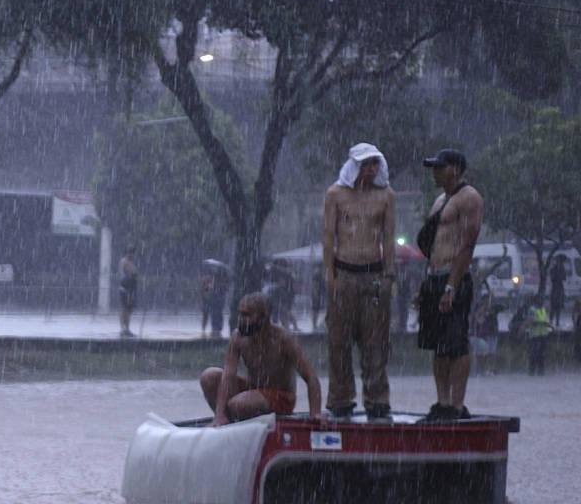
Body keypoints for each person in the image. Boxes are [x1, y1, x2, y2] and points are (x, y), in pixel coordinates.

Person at [320, 143, 396, 420]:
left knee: (376, 341)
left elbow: (388, 238)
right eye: (365, 164)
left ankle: (377, 399)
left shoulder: (385, 196)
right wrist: (330, 276)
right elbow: (329, 236)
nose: (370, 169)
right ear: (355, 166)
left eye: (374, 164)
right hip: (344, 271)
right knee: (339, 340)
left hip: (374, 273)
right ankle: (340, 398)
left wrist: (389, 275)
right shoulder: (336, 194)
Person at [414, 148, 483, 420]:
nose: (434, 172)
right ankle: (442, 402)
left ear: (454, 169)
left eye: (439, 167)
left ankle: (457, 404)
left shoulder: (470, 198)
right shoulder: (440, 199)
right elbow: (432, 244)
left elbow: (467, 245)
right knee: (437, 344)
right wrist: (426, 285)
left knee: (455, 343)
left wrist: (452, 286)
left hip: (454, 277)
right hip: (434, 275)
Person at [199, 293, 324, 424]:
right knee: (209, 377)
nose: (241, 319)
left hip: (280, 397)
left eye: (246, 315)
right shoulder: (238, 337)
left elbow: (311, 376)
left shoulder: (284, 339)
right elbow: (228, 375)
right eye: (240, 314)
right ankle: (225, 422)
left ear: (264, 317)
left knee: (238, 404)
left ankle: (237, 418)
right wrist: (219, 413)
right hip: (252, 391)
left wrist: (315, 413)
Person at [521, 295, 551, 376]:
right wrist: (542, 323)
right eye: (540, 300)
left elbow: (545, 320)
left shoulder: (543, 309)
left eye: (542, 300)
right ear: (536, 301)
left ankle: (541, 371)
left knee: (542, 354)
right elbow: (530, 322)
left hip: (543, 335)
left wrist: (548, 325)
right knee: (534, 354)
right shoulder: (532, 309)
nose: (542, 301)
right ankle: (532, 371)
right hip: (534, 335)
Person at [117, 249, 139, 337]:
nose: (132, 255)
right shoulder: (124, 261)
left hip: (131, 288)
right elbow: (123, 273)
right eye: (130, 253)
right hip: (125, 288)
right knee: (124, 308)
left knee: (129, 309)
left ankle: (127, 328)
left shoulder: (131, 262)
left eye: (133, 253)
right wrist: (129, 276)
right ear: (127, 253)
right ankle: (123, 329)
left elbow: (134, 273)